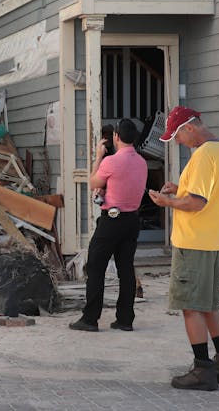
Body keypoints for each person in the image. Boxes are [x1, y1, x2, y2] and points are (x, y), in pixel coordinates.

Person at [148, 106, 219, 391]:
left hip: (193, 242)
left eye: (176, 135)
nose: (176, 141)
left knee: (191, 307)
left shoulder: (201, 156)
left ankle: (202, 369)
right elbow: (206, 193)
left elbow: (197, 203)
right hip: (213, 240)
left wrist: (167, 202)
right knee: (211, 305)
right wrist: (180, 188)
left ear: (189, 127)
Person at [69, 118, 148, 332]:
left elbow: (94, 182)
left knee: (95, 267)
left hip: (112, 219)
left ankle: (90, 319)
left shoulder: (111, 161)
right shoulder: (142, 162)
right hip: (132, 220)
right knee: (126, 269)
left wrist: (98, 157)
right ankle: (125, 319)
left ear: (116, 137)